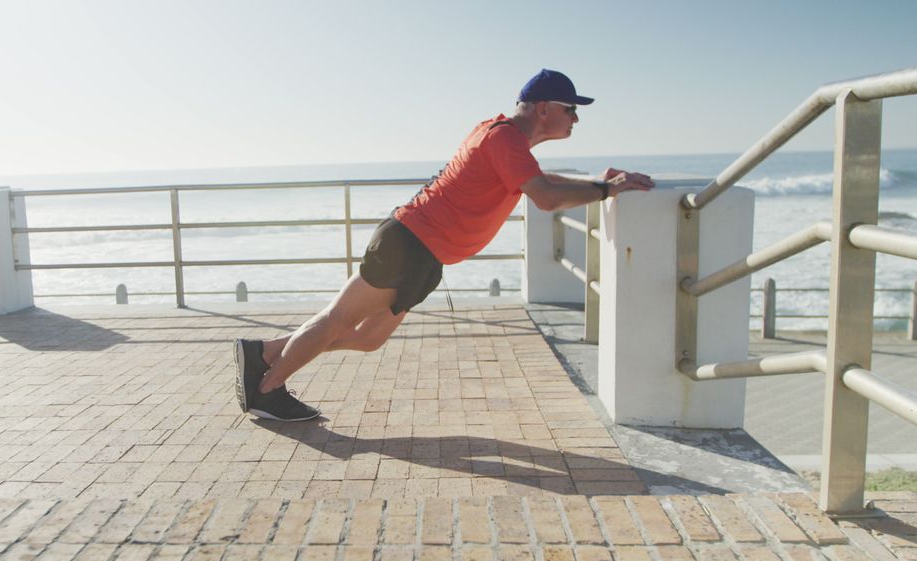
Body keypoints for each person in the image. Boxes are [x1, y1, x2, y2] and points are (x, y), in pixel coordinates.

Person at [235, 68, 655, 421]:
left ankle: (266, 353)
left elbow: (543, 181)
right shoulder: (503, 138)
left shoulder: (508, 140)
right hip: (409, 242)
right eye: (572, 109)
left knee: (367, 338)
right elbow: (544, 196)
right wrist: (606, 192)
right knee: (337, 320)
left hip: (424, 253)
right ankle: (266, 392)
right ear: (545, 108)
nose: (576, 119)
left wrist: (599, 182)